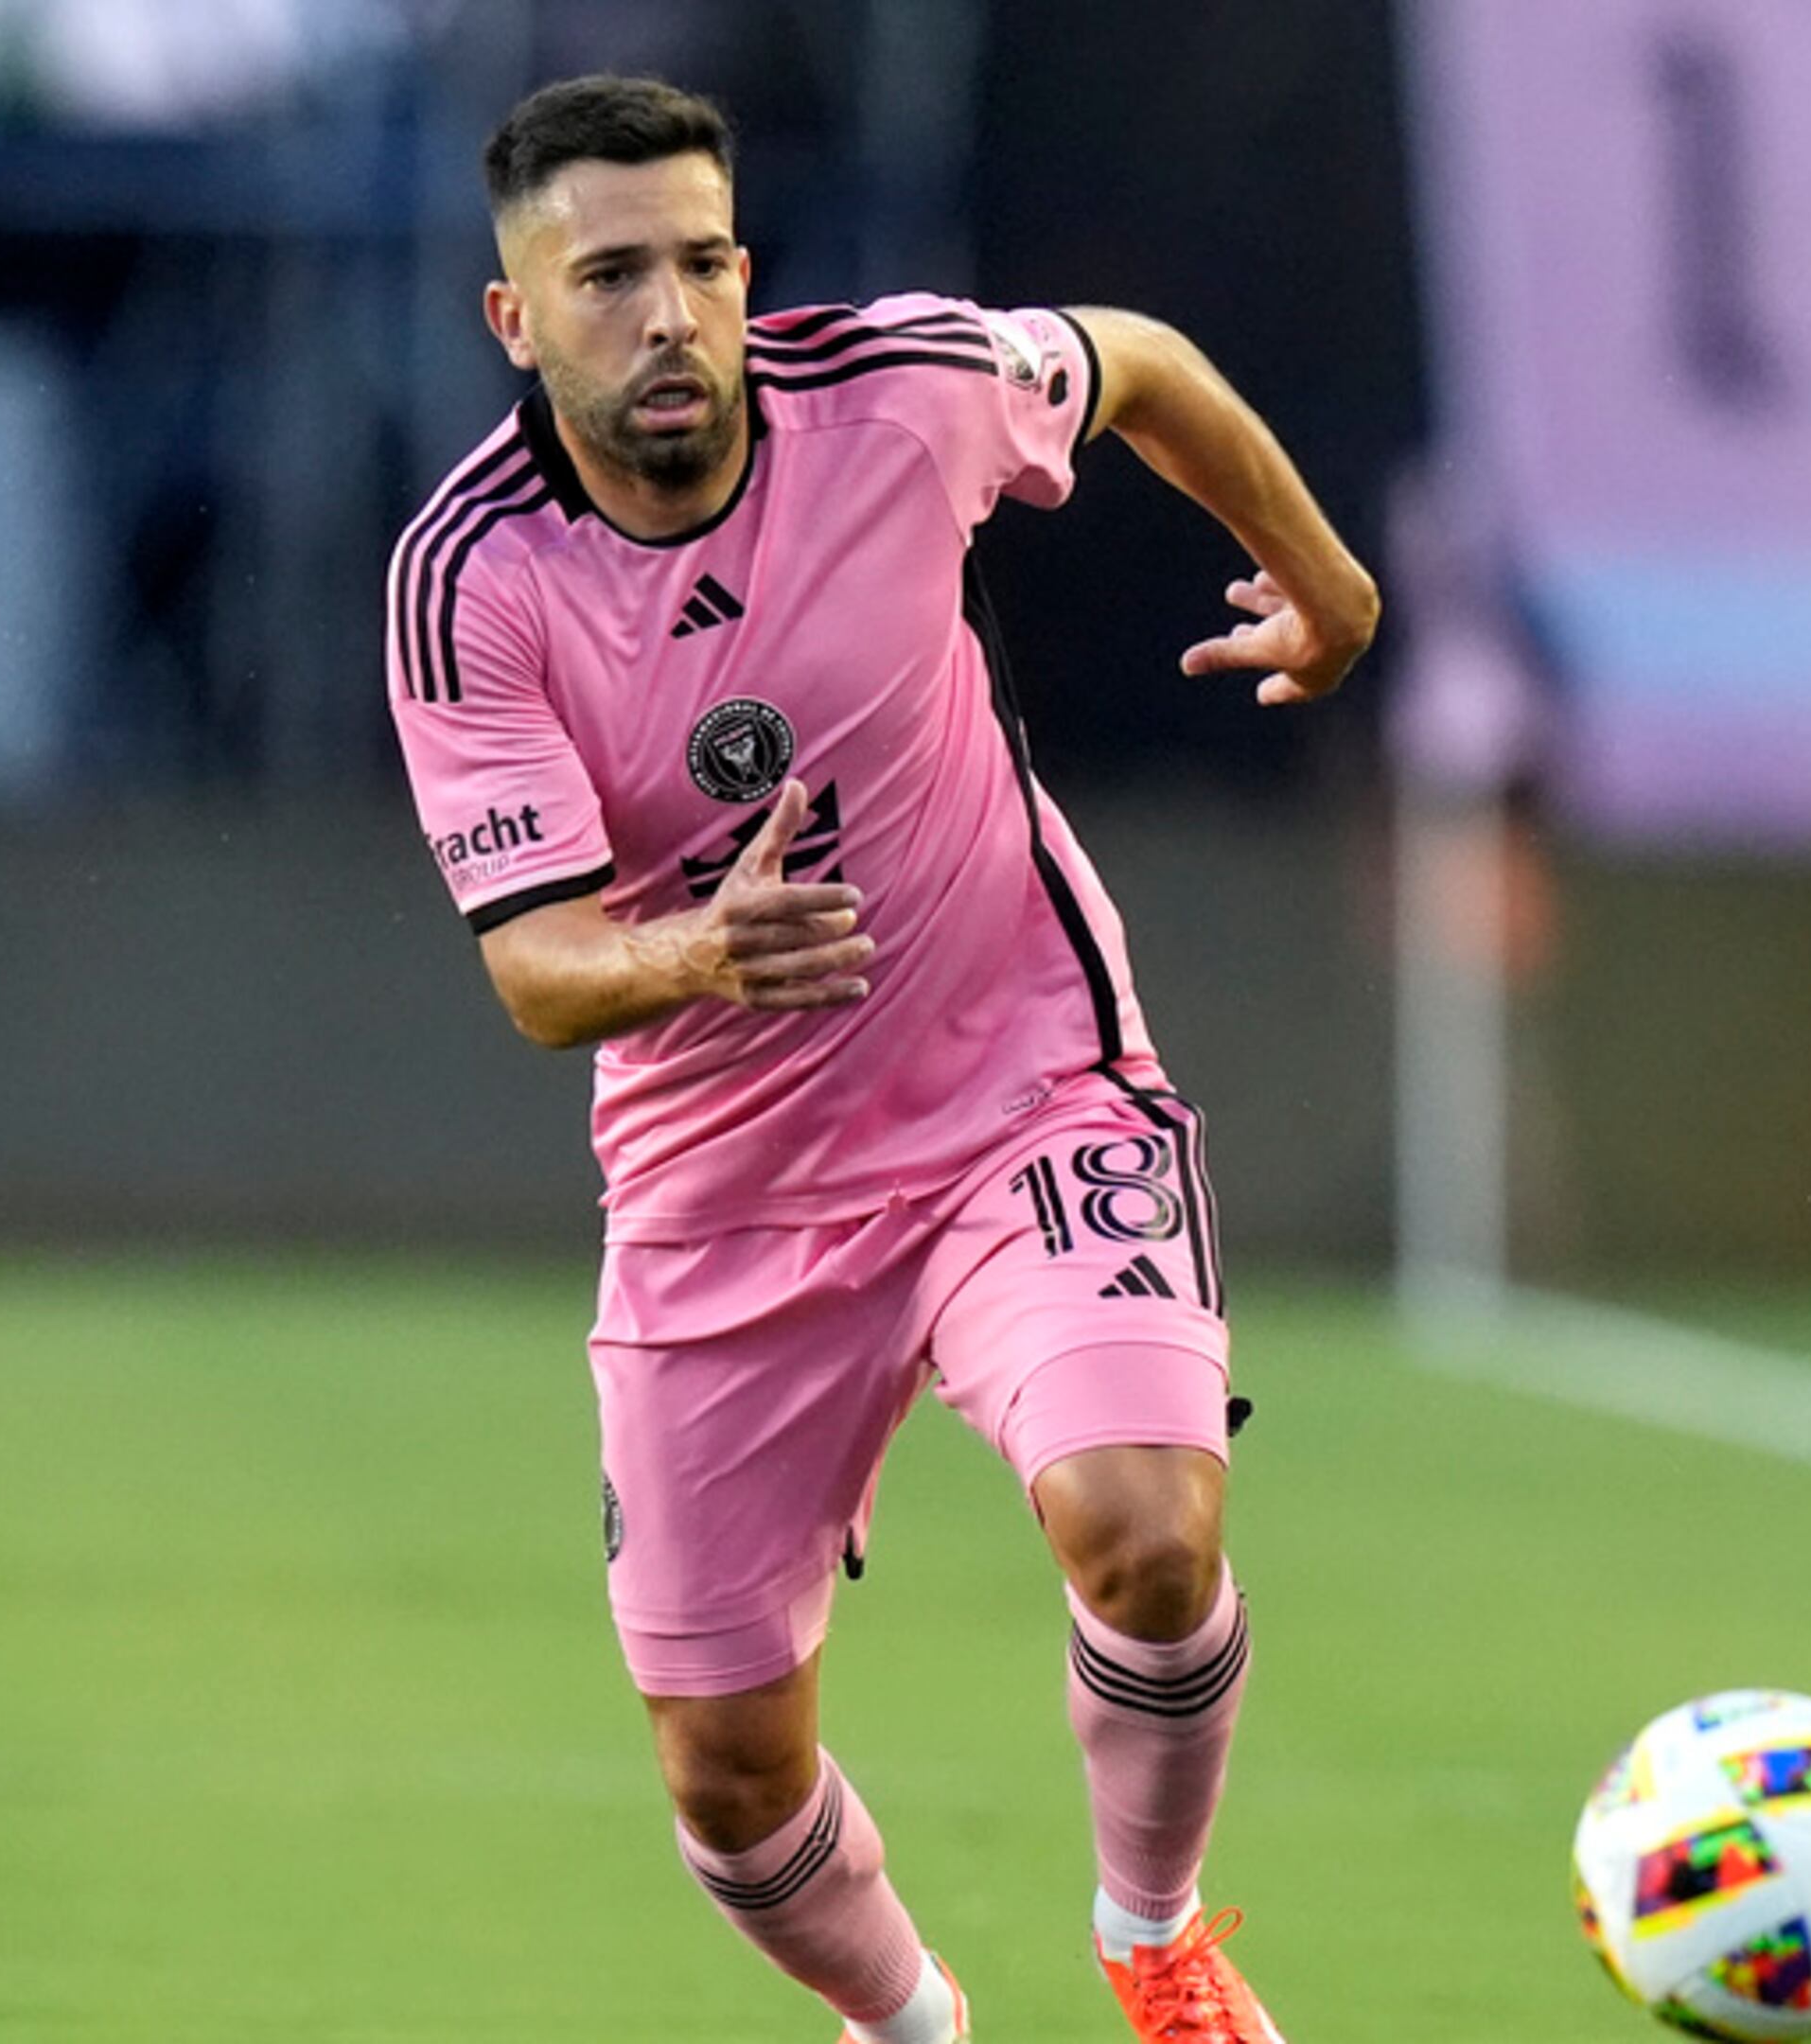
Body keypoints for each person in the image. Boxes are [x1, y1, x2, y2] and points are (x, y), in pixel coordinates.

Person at [383, 75, 1376, 2044]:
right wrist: (693, 949)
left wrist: (1327, 584)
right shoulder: (471, 580)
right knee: (728, 1778)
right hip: (721, 1196)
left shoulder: (902, 387)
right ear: (519, 321)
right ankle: (913, 2027)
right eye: (608, 278)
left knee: (1148, 1530)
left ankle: (1157, 1938)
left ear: (744, 272)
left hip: (1021, 1085)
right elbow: (536, 970)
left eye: (697, 263)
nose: (667, 315)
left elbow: (1148, 369)